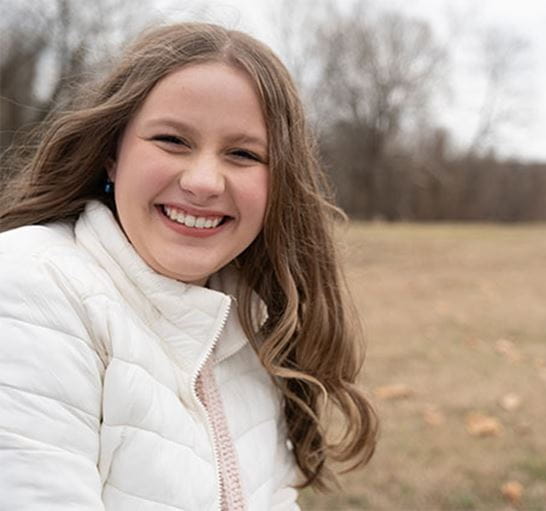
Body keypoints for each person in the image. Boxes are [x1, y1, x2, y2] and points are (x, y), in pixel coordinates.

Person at [0, 22, 377, 510]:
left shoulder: (253, 320)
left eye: (242, 153)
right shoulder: (31, 287)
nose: (203, 181)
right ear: (113, 155)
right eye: (173, 140)